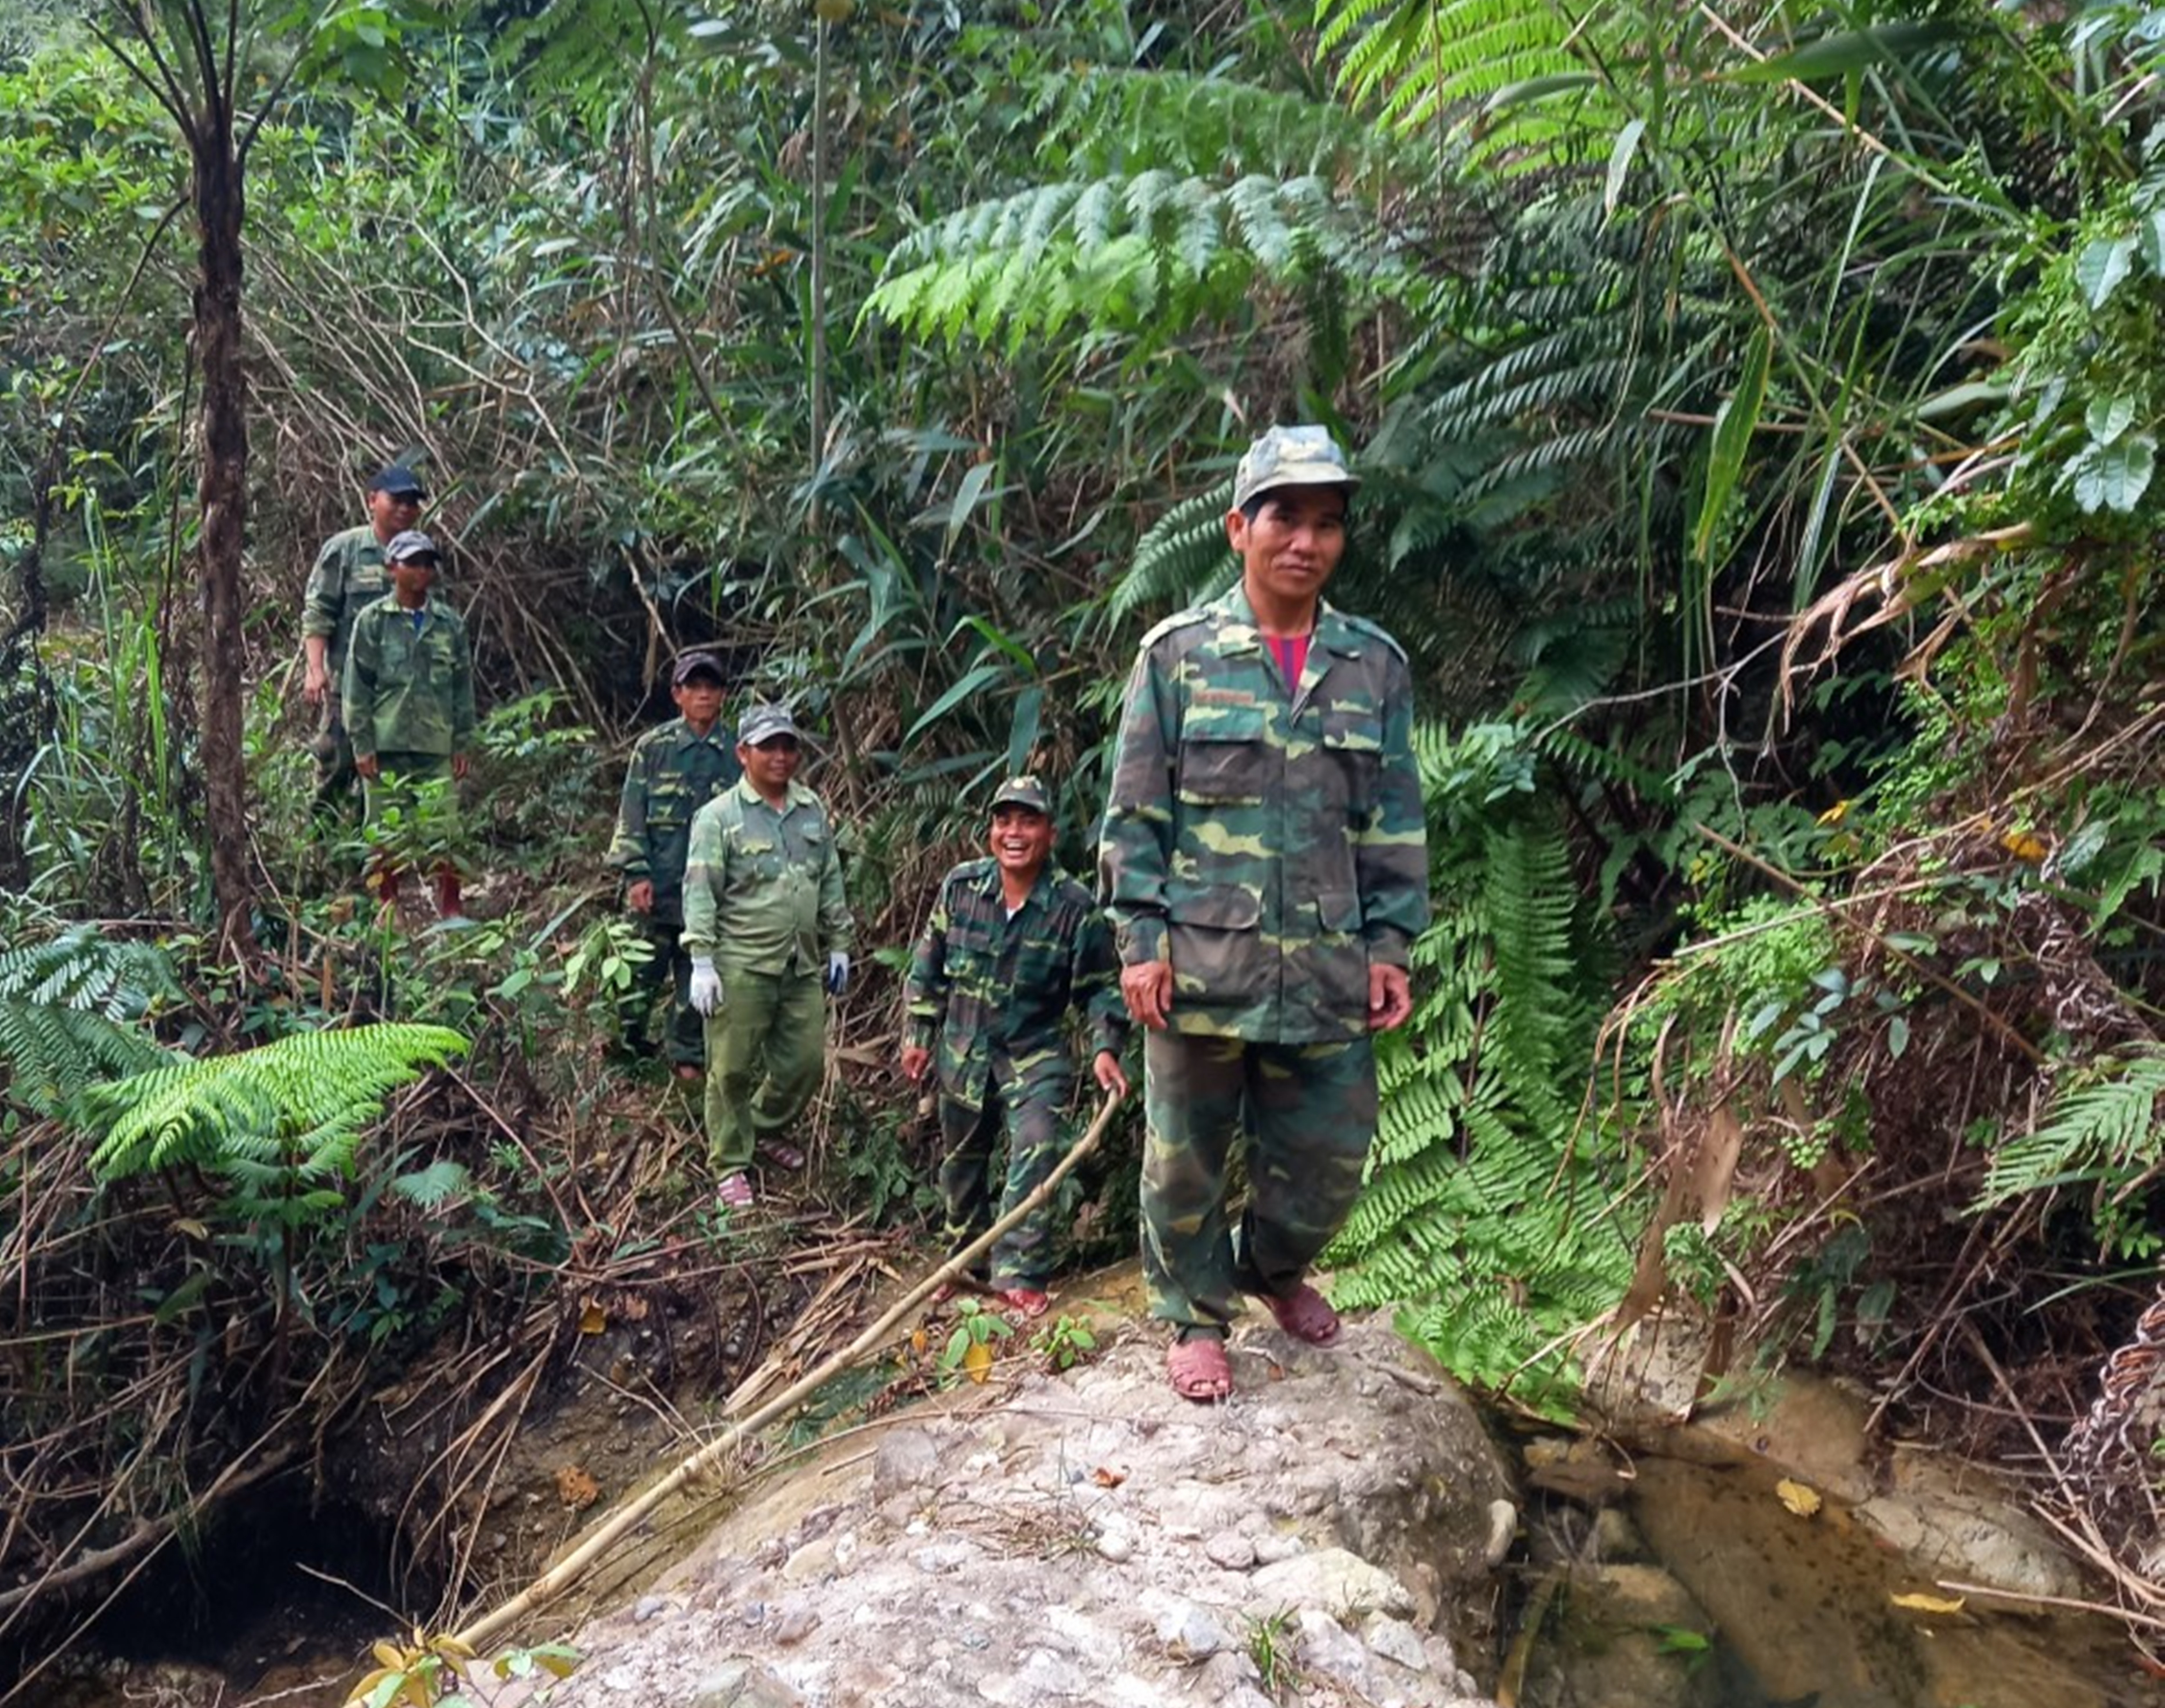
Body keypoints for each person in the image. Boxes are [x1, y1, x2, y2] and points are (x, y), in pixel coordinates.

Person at [1098, 424, 1429, 1402]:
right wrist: (1138, 943)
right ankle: (1194, 1316)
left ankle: (1272, 1270)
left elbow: (1392, 814)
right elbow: (1133, 814)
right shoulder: (1177, 658)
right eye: (1284, 516)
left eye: (1326, 523)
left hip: (1326, 963)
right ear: (1238, 527)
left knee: (1329, 1153)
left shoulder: (1371, 666)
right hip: (1202, 960)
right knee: (1184, 1156)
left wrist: (1389, 943)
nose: (1305, 540)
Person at [902, 776, 1131, 1318]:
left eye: (1027, 821)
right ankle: (964, 1264)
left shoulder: (1074, 906)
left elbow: (1101, 985)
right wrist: (918, 1035)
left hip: (1035, 1052)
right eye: (1004, 820)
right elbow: (927, 964)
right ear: (990, 833)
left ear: (1049, 833)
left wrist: (1105, 1047)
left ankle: (1019, 1273)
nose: (1014, 832)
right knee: (961, 1164)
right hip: (963, 1048)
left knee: (1036, 1146)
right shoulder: (960, 888)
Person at [682, 703, 853, 1208]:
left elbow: (830, 880)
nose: (780, 756)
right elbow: (700, 889)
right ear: (743, 753)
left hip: (799, 964)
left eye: (788, 746)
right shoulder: (718, 817)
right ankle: (731, 1162)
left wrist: (839, 942)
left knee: (804, 1065)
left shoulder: (811, 809)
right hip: (741, 966)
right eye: (768, 747)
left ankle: (764, 1124)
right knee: (730, 1070)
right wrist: (702, 960)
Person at [605, 652, 743, 1080]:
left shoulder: (737, 753)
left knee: (695, 980)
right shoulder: (654, 749)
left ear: (722, 695)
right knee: (639, 976)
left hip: (708, 894)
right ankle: (625, 1053)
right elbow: (632, 814)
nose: (704, 695)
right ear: (677, 695)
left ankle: (688, 1060)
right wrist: (636, 874)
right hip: (656, 887)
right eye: (694, 687)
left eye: (712, 687)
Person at [341, 529, 476, 920]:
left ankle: (450, 907)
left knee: (445, 830)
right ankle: (389, 908)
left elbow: (462, 688)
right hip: (386, 744)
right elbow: (358, 688)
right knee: (384, 831)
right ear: (391, 568)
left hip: (435, 745)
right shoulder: (372, 622)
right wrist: (362, 744)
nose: (420, 571)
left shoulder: (449, 624)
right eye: (412, 563)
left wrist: (463, 743)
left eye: (427, 563)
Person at [302, 463, 426, 817]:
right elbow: (319, 613)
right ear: (373, 500)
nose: (406, 509)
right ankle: (320, 851)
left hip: (401, 690)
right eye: (397, 500)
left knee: (391, 777)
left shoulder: (423, 558)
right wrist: (315, 669)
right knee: (337, 767)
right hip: (349, 687)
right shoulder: (346, 550)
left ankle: (377, 857)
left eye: (413, 502)